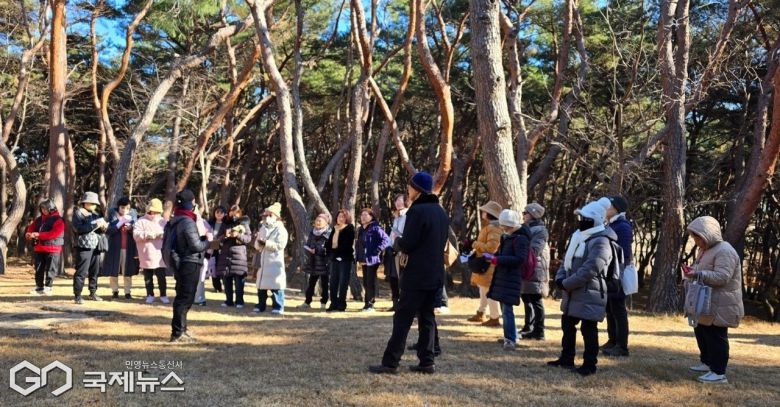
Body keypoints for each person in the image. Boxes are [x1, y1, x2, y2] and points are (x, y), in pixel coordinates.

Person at [369, 172, 448, 375]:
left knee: (403, 318)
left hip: (417, 274)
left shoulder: (417, 211)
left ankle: (390, 362)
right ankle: (427, 361)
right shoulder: (440, 211)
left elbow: (409, 243)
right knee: (427, 318)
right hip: (436, 273)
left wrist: (397, 242)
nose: (408, 190)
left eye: (410, 187)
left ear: (418, 189)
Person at [547, 201, 614, 376]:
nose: (581, 221)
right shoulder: (578, 236)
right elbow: (566, 262)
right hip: (573, 291)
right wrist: (561, 279)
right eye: (581, 217)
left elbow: (590, 270)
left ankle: (589, 364)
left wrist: (566, 284)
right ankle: (566, 358)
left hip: (590, 292)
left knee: (588, 329)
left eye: (585, 218)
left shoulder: (601, 241)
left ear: (595, 220)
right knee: (567, 324)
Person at [683, 216, 744, 384]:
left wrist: (698, 274)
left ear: (708, 234)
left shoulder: (725, 250)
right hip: (708, 301)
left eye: (697, 236)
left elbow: (723, 277)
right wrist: (692, 270)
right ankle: (707, 362)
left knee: (716, 336)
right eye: (693, 236)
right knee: (702, 331)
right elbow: (701, 269)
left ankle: (718, 372)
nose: (695, 240)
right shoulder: (705, 250)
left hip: (722, 303)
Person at [484, 210, 530, 351]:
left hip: (512, 277)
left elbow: (520, 259)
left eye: (506, 226)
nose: (504, 229)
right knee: (504, 308)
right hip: (503, 275)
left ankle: (510, 339)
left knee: (507, 309)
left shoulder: (520, 238)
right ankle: (508, 335)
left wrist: (498, 259)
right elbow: (502, 253)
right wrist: (493, 256)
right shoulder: (506, 237)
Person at [168, 189, 209, 343]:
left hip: (180, 262)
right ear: (190, 204)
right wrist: (208, 240)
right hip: (190, 262)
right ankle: (177, 332)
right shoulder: (187, 222)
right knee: (185, 299)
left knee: (183, 297)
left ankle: (182, 329)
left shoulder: (176, 219)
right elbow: (196, 245)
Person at [597, 196, 633, 357]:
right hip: (609, 270)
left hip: (617, 271)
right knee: (610, 308)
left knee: (618, 308)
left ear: (616, 209)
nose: (606, 209)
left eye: (609, 206)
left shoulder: (623, 226)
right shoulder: (612, 224)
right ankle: (612, 340)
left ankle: (621, 345)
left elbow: (623, 252)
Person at [466, 201, 503, 327]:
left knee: (489, 291)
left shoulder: (495, 229)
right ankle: (481, 313)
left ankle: (494, 317)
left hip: (489, 265)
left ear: (489, 214)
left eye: (484, 211)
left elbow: (491, 248)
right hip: (485, 264)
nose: (482, 212)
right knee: (483, 290)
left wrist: (474, 244)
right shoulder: (490, 227)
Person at [519, 203, 550, 340]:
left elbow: (535, 250)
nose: (523, 215)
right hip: (526, 266)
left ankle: (539, 330)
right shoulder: (525, 228)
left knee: (536, 300)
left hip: (536, 268)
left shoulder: (541, 231)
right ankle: (528, 326)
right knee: (526, 297)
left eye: (525, 212)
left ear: (532, 214)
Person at [72, 192, 109, 304]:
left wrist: (103, 227)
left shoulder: (96, 214)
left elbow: (100, 230)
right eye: (92, 203)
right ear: (85, 203)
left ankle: (93, 292)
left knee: (95, 271)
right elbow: (78, 229)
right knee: (81, 271)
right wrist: (94, 225)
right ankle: (78, 295)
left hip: (96, 246)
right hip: (84, 246)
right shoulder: (78, 213)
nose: (94, 206)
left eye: (95, 204)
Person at [25, 199, 65, 295]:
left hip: (53, 248)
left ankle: (48, 287)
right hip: (39, 248)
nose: (43, 211)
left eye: (45, 209)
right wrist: (29, 233)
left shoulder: (58, 220)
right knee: (38, 268)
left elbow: (53, 234)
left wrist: (38, 235)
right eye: (42, 209)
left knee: (51, 269)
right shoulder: (39, 219)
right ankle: (39, 287)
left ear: (51, 209)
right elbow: (32, 227)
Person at [132, 198, 169, 304]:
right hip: (146, 252)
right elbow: (136, 235)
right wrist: (149, 235)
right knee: (148, 276)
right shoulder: (141, 221)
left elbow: (169, 234)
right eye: (154, 212)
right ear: (149, 210)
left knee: (161, 275)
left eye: (158, 212)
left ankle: (163, 294)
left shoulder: (164, 221)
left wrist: (163, 235)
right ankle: (150, 294)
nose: (155, 214)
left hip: (160, 252)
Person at [254, 202, 288, 314]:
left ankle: (278, 307)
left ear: (276, 216)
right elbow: (257, 245)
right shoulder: (263, 228)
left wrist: (266, 243)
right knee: (261, 286)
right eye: (265, 214)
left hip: (275, 263)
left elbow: (280, 245)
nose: (266, 217)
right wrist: (259, 244)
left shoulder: (281, 229)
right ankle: (260, 305)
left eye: (269, 214)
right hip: (263, 263)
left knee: (276, 286)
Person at [103, 197, 140, 300]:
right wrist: (118, 224)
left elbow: (137, 232)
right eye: (122, 207)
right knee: (113, 270)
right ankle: (115, 291)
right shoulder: (112, 216)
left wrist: (131, 228)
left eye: (127, 208)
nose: (124, 210)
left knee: (127, 271)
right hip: (114, 247)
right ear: (118, 207)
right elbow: (108, 231)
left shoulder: (133, 217)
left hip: (128, 248)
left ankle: (127, 292)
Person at [216, 205, 252, 308]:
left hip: (239, 256)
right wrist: (225, 235)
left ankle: (239, 301)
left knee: (239, 281)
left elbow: (248, 239)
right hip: (225, 256)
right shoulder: (225, 224)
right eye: (231, 212)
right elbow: (218, 238)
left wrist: (238, 235)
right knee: (227, 280)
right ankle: (228, 300)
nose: (233, 214)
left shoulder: (244, 224)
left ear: (239, 213)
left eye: (235, 212)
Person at [356, 208, 390, 312]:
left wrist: (377, 250)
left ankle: (370, 304)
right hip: (364, 259)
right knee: (366, 282)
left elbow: (386, 240)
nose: (363, 217)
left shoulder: (375, 228)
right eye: (362, 215)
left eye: (366, 215)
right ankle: (367, 303)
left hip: (372, 259)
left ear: (371, 217)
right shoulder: (361, 229)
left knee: (370, 281)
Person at [300, 213, 332, 309]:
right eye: (316, 220)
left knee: (325, 284)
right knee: (311, 283)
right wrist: (309, 249)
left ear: (326, 223)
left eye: (320, 221)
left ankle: (323, 303)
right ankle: (307, 302)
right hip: (313, 261)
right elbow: (309, 243)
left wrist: (318, 250)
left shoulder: (329, 233)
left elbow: (330, 248)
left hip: (324, 262)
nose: (317, 222)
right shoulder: (312, 232)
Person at [326, 209, 355, 312]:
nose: (340, 218)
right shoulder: (334, 228)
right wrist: (331, 255)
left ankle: (341, 304)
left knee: (343, 282)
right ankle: (333, 303)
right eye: (339, 216)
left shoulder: (350, 228)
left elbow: (347, 244)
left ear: (346, 218)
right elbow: (329, 244)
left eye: (343, 216)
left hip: (345, 259)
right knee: (333, 282)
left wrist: (338, 254)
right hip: (334, 259)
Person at [386, 194, 409, 311]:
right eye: (396, 201)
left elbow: (402, 234)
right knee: (393, 278)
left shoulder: (407, 215)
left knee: (403, 278)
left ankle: (403, 303)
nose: (397, 202)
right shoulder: (396, 217)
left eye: (400, 200)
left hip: (402, 251)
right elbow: (392, 235)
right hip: (393, 250)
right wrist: (389, 246)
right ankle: (395, 303)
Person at [194, 206, 214, 306]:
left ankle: (199, 299)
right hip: (193, 255)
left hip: (202, 255)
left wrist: (208, 254)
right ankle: (194, 298)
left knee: (200, 279)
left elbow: (210, 239)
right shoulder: (186, 221)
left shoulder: (204, 223)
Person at [206, 206, 227, 293]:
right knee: (212, 267)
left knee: (221, 268)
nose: (218, 214)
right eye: (217, 212)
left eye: (221, 212)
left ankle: (225, 286)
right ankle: (216, 287)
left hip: (222, 249)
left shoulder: (226, 225)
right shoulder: (209, 223)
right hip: (211, 248)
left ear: (224, 214)